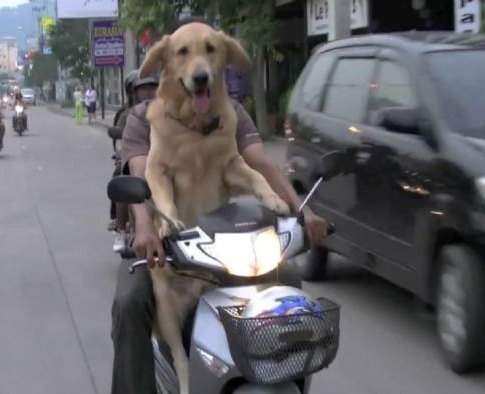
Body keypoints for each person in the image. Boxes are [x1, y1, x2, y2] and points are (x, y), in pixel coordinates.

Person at [109, 17, 329, 394]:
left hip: (223, 248)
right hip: (166, 249)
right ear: (169, 63)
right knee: (130, 303)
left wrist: (300, 210)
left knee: (290, 284)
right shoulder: (141, 118)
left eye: (209, 50)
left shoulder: (231, 113)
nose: (199, 64)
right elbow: (143, 173)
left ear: (219, 60)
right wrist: (144, 227)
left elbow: (260, 164)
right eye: (184, 52)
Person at [107, 70, 159, 243]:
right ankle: (120, 228)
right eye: (143, 88)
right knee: (123, 180)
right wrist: (123, 154)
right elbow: (122, 140)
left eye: (152, 88)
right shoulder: (128, 114)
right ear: (133, 92)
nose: (149, 92)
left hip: (162, 159)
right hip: (135, 157)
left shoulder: (166, 110)